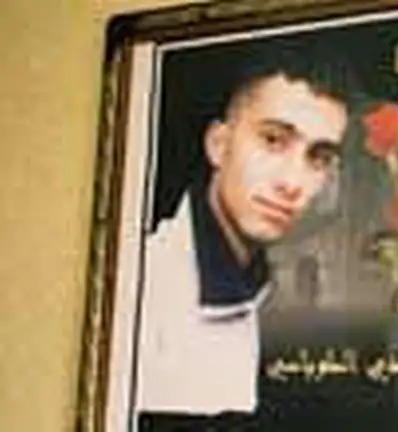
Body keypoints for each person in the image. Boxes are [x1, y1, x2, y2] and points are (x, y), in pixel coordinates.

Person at [135, 42, 356, 426]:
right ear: (218, 145)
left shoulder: (262, 294)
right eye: (273, 140)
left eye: (318, 157)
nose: (292, 182)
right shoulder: (145, 292)